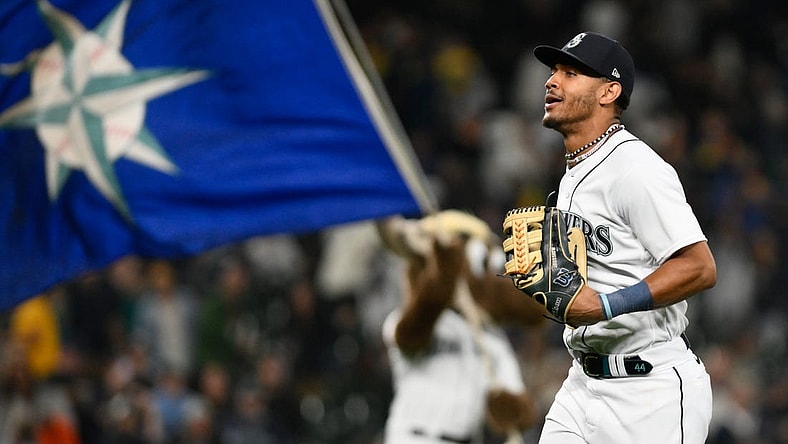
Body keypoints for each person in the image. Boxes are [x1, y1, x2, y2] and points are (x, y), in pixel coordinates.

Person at [526, 31, 717, 443]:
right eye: (555, 71)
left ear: (608, 92)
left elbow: (700, 267)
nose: (551, 81)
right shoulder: (574, 171)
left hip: (650, 394)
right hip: (582, 384)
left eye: (570, 73)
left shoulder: (635, 167)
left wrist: (605, 305)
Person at [377, 211, 543, 444]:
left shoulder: (492, 339)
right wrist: (444, 273)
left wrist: (509, 408)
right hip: (414, 437)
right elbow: (411, 333)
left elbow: (516, 404)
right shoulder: (408, 319)